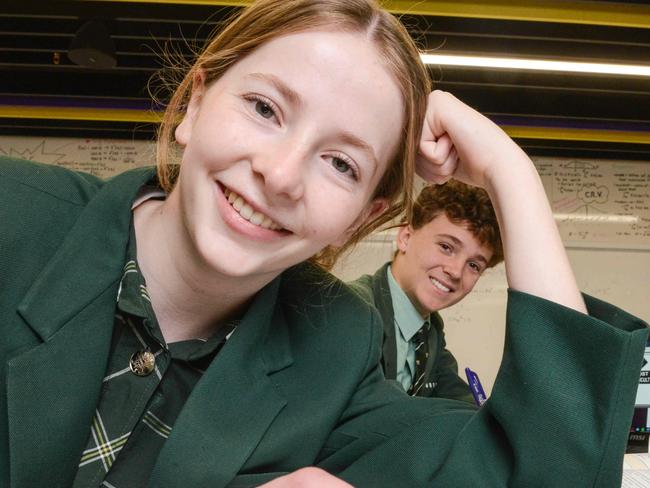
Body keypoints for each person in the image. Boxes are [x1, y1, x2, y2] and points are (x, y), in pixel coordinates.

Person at [0, 1, 646, 487]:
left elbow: (544, 471)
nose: (280, 175)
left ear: (365, 215)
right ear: (195, 102)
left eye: (341, 163)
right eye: (264, 108)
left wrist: (513, 175)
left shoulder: (335, 350)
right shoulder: (15, 214)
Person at [349, 181, 503, 402]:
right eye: (446, 247)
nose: (456, 271)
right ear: (405, 237)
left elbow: (458, 399)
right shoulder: (352, 312)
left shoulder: (429, 332)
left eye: (474, 265)